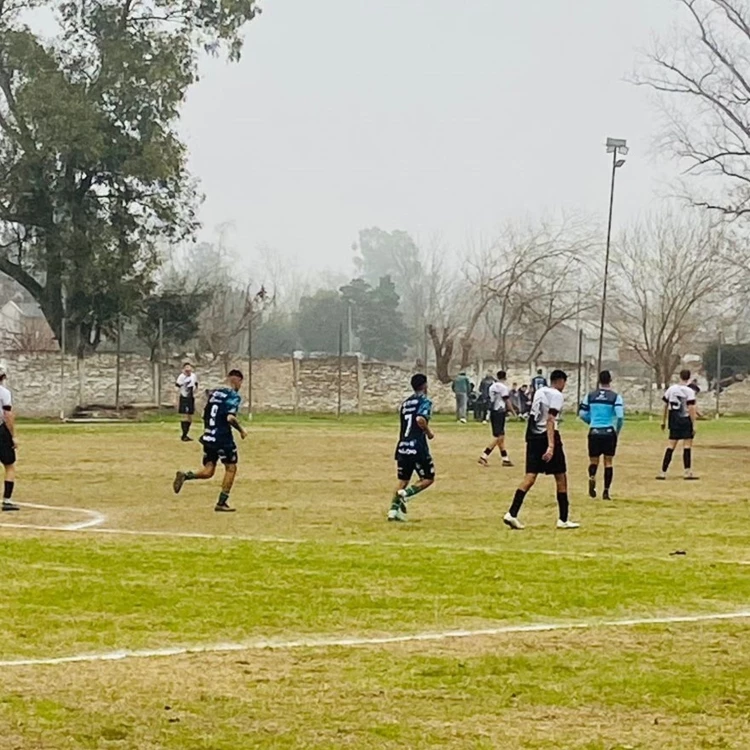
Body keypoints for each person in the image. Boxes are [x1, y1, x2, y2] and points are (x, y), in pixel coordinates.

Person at [503, 369, 579, 530]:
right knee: (561, 476)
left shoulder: (539, 392)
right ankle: (563, 519)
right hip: (547, 436)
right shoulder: (556, 395)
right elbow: (550, 420)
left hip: (533, 436)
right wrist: (551, 446)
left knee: (530, 477)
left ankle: (512, 513)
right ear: (560, 381)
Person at [173, 369, 248, 512]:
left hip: (208, 436)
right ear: (238, 381)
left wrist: (210, 429)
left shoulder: (214, 394)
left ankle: (186, 475)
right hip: (222, 438)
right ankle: (221, 502)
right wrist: (241, 430)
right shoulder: (233, 396)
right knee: (231, 468)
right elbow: (230, 418)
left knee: (209, 471)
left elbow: (203, 414)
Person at [388, 373, 435, 522]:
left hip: (402, 445)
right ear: (425, 385)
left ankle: (393, 511)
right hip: (417, 446)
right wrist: (428, 432)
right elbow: (420, 419)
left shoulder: (405, 403)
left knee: (403, 479)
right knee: (428, 478)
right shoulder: (424, 401)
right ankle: (406, 494)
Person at [578, 370, 624, 501]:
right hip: (609, 431)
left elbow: (582, 414)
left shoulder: (590, 396)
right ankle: (606, 491)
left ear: (599, 380)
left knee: (594, 460)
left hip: (594, 431)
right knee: (608, 462)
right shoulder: (615, 397)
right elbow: (620, 416)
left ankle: (592, 477)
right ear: (610, 380)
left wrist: (591, 421)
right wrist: (617, 430)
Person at [657, 369, 698, 481]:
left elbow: (665, 405)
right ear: (688, 378)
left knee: (671, 446)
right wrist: (694, 424)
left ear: (680, 377)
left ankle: (663, 472)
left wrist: (663, 420)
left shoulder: (671, 389)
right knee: (687, 446)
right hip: (685, 420)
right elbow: (691, 408)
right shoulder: (690, 391)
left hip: (674, 419)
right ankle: (687, 472)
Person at [478, 370, 517, 467]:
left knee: (501, 436)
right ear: (505, 377)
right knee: (498, 437)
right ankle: (484, 456)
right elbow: (506, 400)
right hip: (500, 411)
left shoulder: (492, 386)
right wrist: (513, 411)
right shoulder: (503, 387)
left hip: (493, 411)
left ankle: (505, 459)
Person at [0, 366, 19, 512]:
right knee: (9, 465)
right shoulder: (4, 393)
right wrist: (13, 436)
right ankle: (7, 500)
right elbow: (8, 415)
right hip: (1, 431)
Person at [176, 362, 199, 442]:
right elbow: (177, 386)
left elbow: (196, 384)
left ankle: (186, 433)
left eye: (189, 369)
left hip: (191, 398)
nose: (188, 371)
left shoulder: (193, 376)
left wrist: (195, 392)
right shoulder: (181, 377)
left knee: (190, 417)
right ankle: (184, 435)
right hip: (184, 397)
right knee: (185, 415)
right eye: (186, 369)